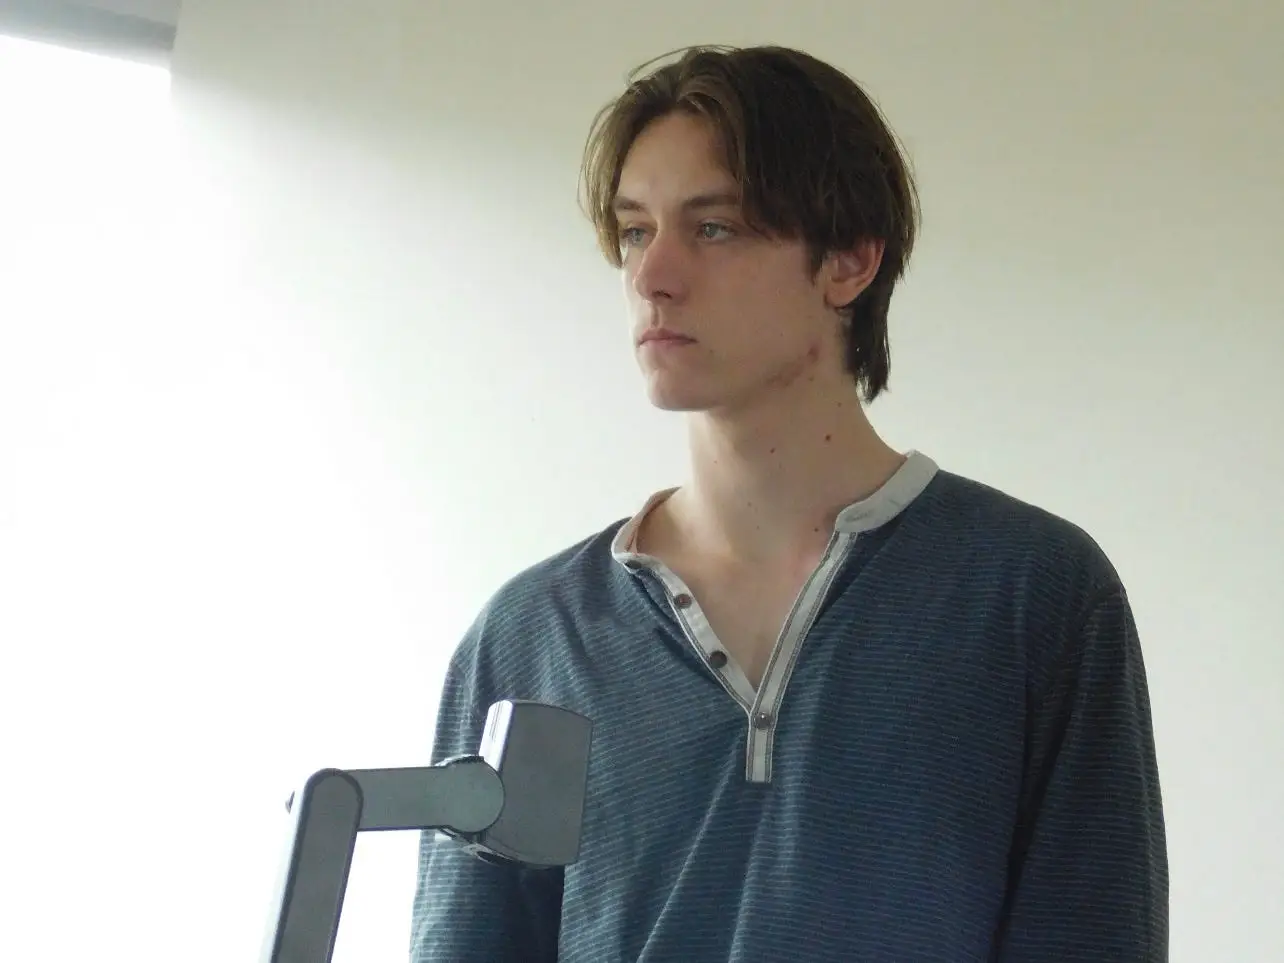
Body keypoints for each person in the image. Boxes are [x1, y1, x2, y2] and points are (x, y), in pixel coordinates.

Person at [409, 44, 1168, 962]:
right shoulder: (531, 639)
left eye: (714, 227)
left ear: (848, 260)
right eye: (637, 231)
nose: (653, 276)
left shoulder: (1034, 597)